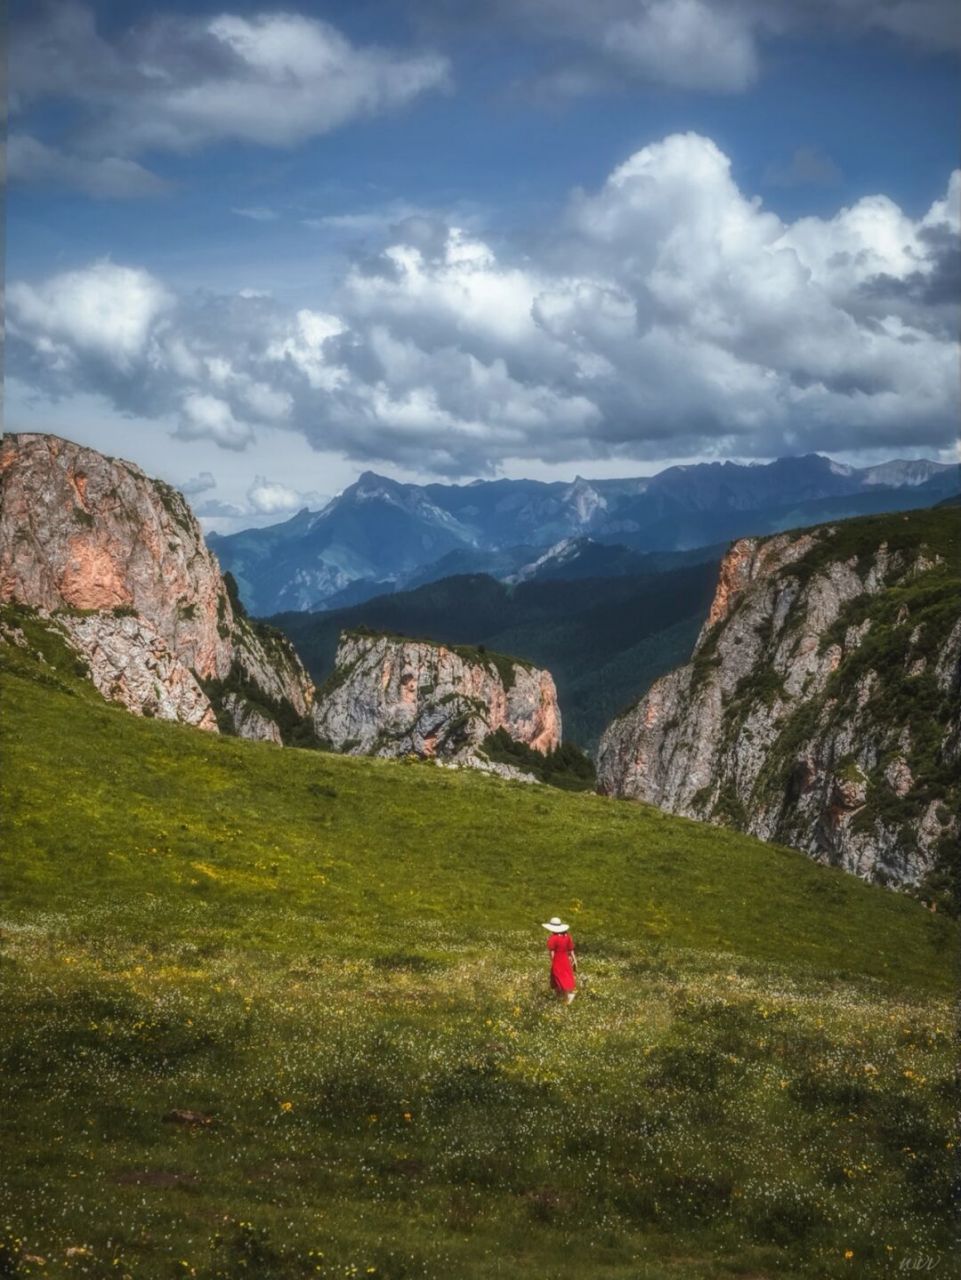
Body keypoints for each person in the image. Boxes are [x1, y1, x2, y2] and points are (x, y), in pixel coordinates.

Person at [542, 916, 577, 1003]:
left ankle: (567, 996)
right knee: (566, 976)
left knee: (558, 977)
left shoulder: (553, 938)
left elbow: (552, 952)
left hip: (558, 960)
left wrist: (553, 961)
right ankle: (562, 998)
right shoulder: (567, 936)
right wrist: (574, 959)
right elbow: (571, 949)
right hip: (566, 959)